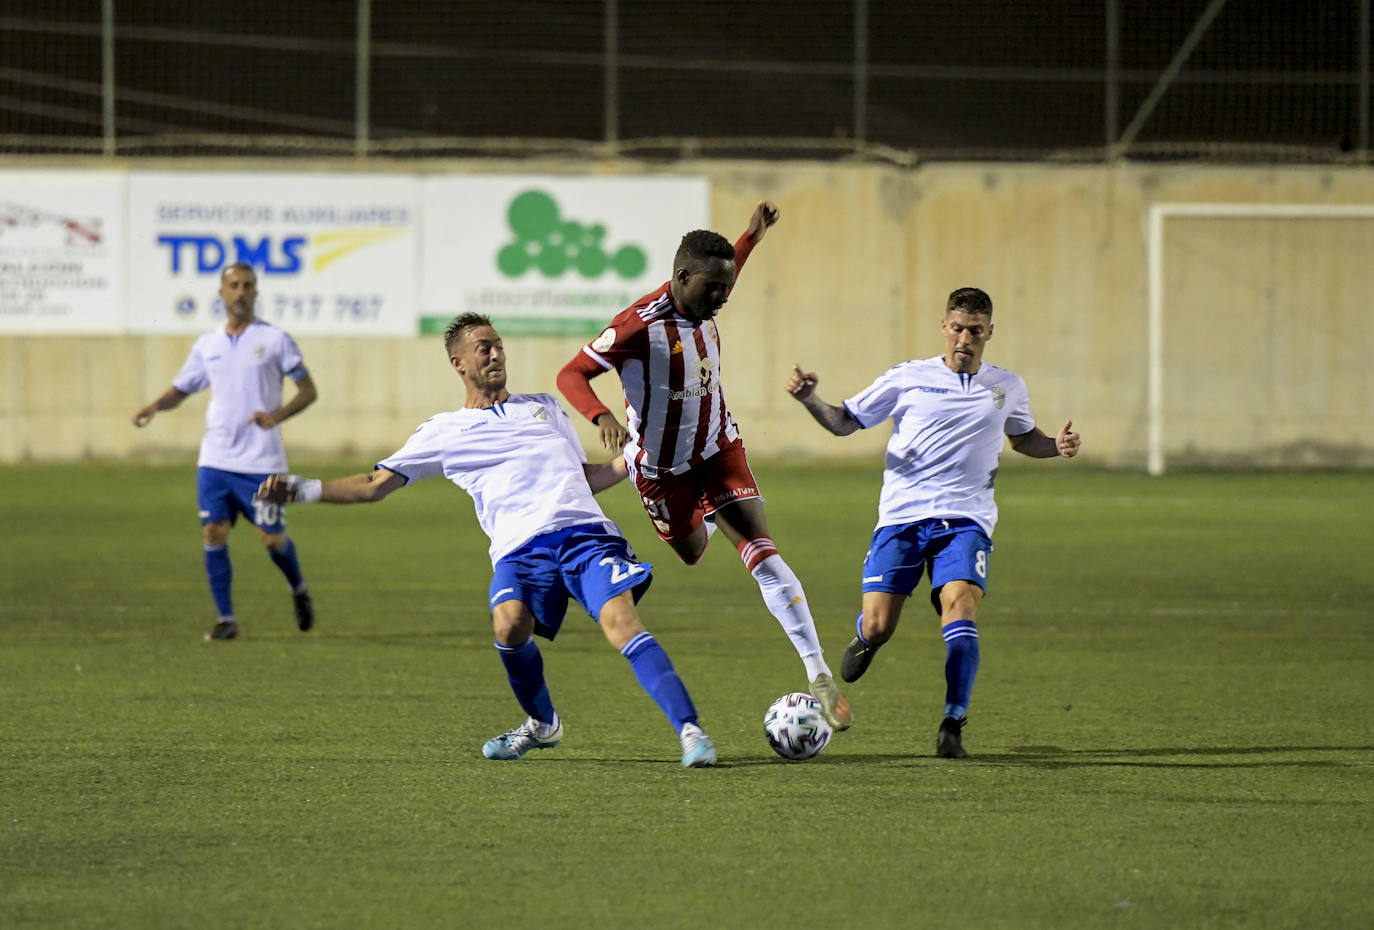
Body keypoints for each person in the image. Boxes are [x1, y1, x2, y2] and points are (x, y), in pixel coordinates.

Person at [254, 313, 718, 768]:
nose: (496, 354)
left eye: (499, 346)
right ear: (458, 363)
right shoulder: (442, 431)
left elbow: (583, 478)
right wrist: (303, 489)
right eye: (484, 348)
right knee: (508, 626)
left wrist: (634, 459)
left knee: (621, 622)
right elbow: (375, 485)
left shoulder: (544, 407)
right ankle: (543, 724)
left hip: (585, 536)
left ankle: (691, 731)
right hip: (520, 550)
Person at [555, 202, 853, 732]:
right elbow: (571, 374)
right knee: (691, 552)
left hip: (718, 450)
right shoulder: (636, 326)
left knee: (761, 553)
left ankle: (819, 673)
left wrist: (750, 238)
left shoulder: (705, 295)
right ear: (682, 277)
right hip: (662, 472)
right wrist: (601, 415)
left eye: (726, 288)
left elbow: (724, 269)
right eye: (714, 289)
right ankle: (692, 503)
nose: (722, 298)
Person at [785, 286, 1080, 758]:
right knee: (880, 625)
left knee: (960, 611)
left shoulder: (1006, 386)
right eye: (958, 328)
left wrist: (1056, 448)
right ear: (944, 327)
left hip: (966, 520)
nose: (965, 339)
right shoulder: (909, 377)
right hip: (902, 518)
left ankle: (952, 723)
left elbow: (1024, 438)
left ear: (989, 333)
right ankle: (867, 636)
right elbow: (844, 422)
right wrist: (810, 399)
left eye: (975, 331)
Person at [132, 262, 318, 642]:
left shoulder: (276, 340)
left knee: (272, 540)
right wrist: (155, 406)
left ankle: (298, 588)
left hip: (263, 461)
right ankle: (226, 619)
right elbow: (182, 388)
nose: (241, 292)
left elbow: (308, 391)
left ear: (256, 292)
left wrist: (275, 416)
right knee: (213, 532)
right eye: (234, 285)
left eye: (247, 285)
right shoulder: (208, 344)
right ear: (221, 293)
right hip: (215, 460)